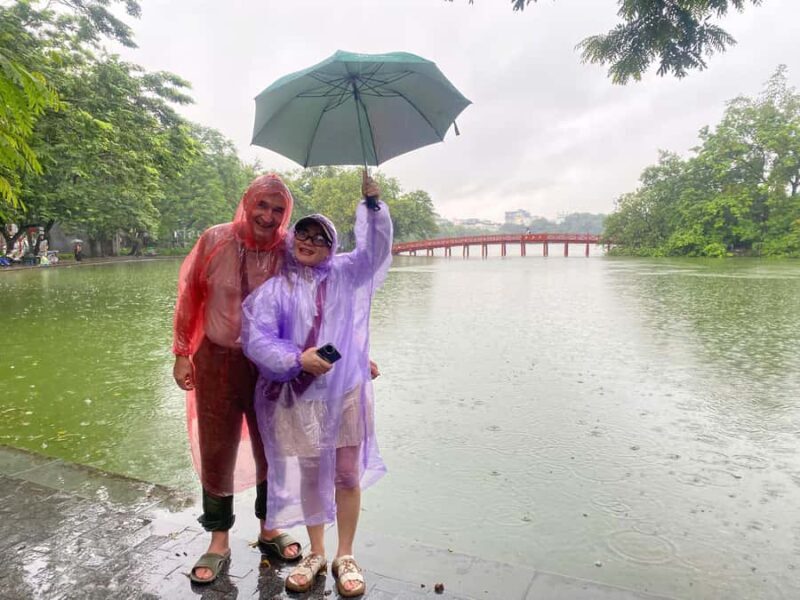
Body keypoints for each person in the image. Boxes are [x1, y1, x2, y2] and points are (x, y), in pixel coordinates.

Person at [241, 172, 392, 596]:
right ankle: (317, 552)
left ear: (332, 246)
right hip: (301, 396)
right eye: (303, 233)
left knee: (346, 474)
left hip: (345, 392)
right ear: (292, 239)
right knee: (311, 473)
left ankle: (346, 554)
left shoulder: (345, 274)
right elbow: (256, 338)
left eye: (320, 237)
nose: (309, 241)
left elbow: (375, 251)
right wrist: (296, 358)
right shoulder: (275, 290)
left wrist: (373, 207)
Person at [172, 173, 302, 584]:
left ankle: (270, 529)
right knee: (217, 446)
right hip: (217, 358)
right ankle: (219, 540)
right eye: (262, 205)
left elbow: (321, 296)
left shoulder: (289, 250)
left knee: (272, 448)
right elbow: (189, 294)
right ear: (246, 202)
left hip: (269, 366)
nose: (268, 216)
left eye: (278, 209)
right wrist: (181, 353)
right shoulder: (215, 240)